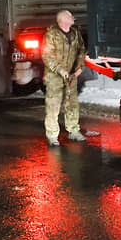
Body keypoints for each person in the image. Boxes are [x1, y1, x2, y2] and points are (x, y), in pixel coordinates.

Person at [41, 9, 93, 147]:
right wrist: (60, 70)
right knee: (53, 105)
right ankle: (52, 136)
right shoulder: (51, 35)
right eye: (70, 16)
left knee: (72, 104)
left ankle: (74, 131)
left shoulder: (75, 34)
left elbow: (82, 50)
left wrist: (79, 68)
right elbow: (47, 56)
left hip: (71, 75)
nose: (73, 18)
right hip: (54, 77)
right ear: (62, 20)